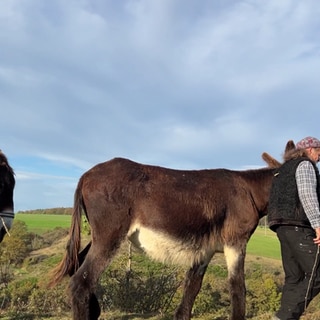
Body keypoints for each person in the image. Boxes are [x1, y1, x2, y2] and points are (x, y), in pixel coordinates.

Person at [268, 136, 320, 320]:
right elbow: (307, 195)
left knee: (294, 277)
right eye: (319, 151)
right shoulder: (305, 165)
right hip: (298, 225)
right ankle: (285, 317)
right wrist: (318, 224)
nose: (319, 157)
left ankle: (281, 317)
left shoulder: (282, 170)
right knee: (317, 272)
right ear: (310, 150)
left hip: (281, 226)